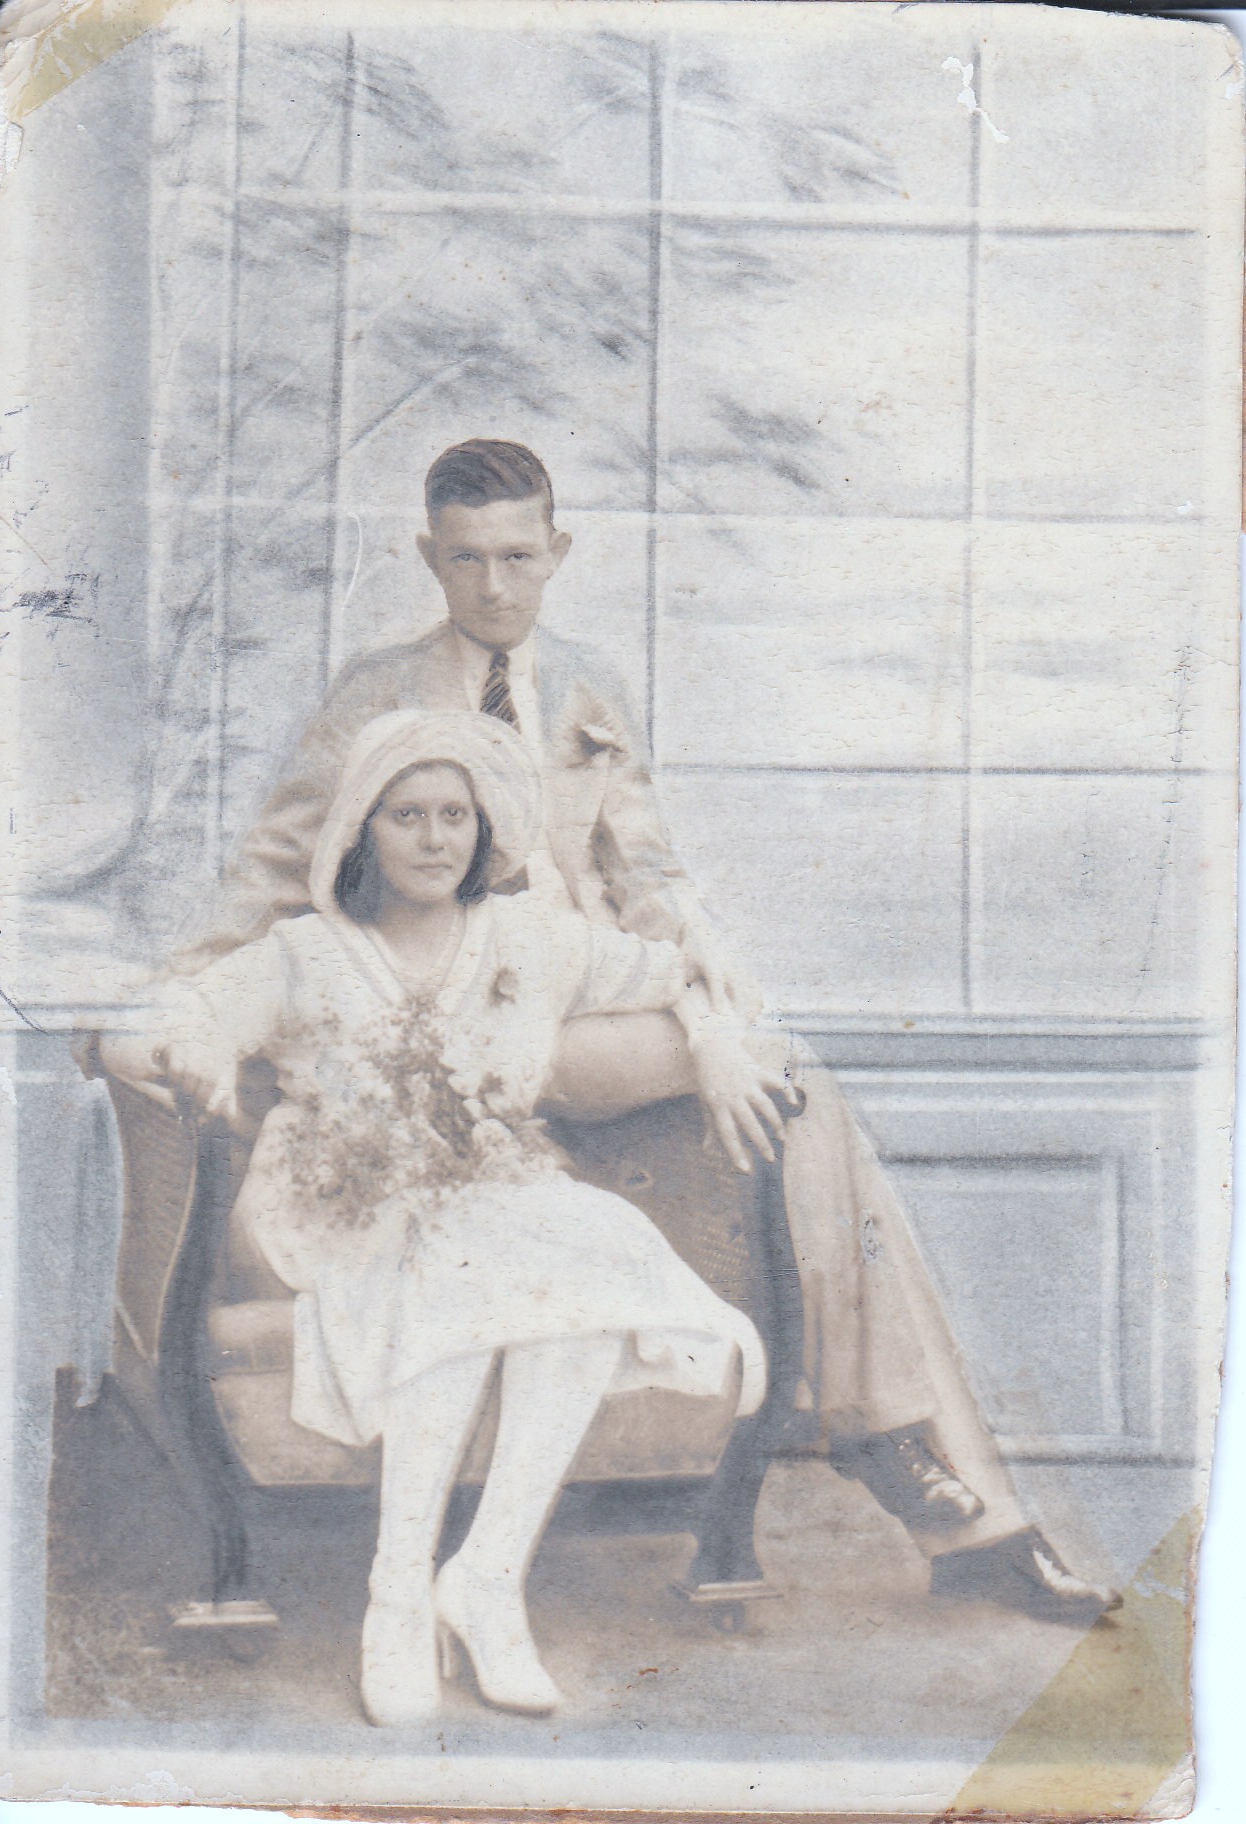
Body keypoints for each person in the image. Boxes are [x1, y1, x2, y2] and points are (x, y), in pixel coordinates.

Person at [106, 439, 1118, 1626]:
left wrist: (712, 1021)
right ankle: (901, 1450)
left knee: (794, 1088)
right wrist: (166, 1010)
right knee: (780, 1083)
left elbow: (647, 875)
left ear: (558, 552)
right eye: (468, 560)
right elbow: (278, 872)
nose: (495, 587)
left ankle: (939, 1479)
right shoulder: (375, 697)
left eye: (519, 558)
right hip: (474, 1020)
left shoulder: (587, 685)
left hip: (590, 990)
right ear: (431, 557)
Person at [149, 709, 769, 1726]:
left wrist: (710, 1040)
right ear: (362, 829)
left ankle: (483, 1579)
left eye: (454, 816)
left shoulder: (530, 938)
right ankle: (395, 1599)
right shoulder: (306, 952)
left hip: (485, 1192)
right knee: (474, 1262)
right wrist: (205, 1049)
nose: (435, 839)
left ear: (483, 832)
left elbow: (678, 973)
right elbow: (184, 1013)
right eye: (406, 816)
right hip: (336, 1199)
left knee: (573, 1259)